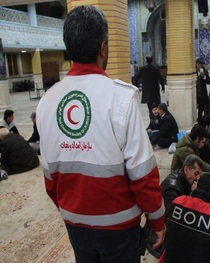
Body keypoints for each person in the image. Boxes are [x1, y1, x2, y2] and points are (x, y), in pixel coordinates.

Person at [36, 6, 165, 262]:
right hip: (118, 229)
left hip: (75, 225)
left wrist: (73, 211)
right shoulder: (121, 98)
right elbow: (142, 174)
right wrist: (158, 219)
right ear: (103, 47)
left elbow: (50, 177)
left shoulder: (46, 102)